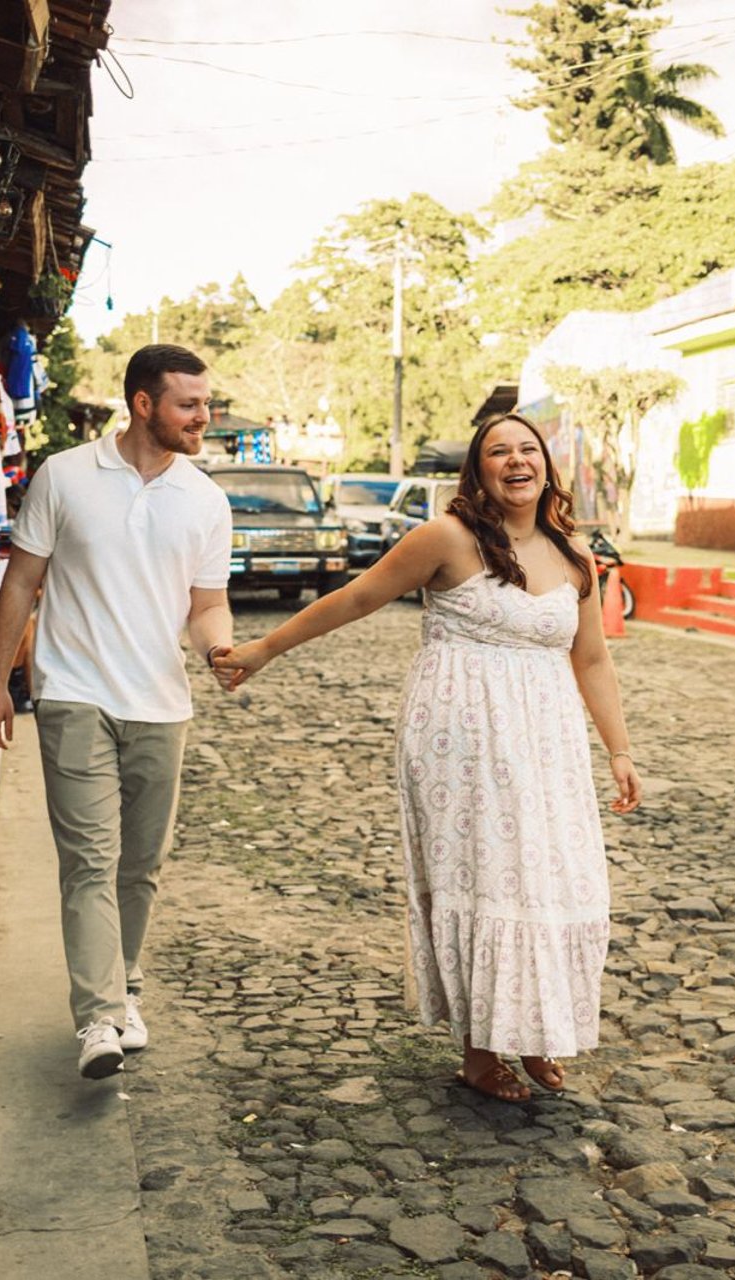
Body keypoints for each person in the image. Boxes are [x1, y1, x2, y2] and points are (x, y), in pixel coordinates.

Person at [212, 413, 642, 1103]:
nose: (515, 459)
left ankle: (533, 1031)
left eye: (528, 448)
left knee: (552, 876)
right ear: (478, 471)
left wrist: (618, 750)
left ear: (547, 466)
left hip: (548, 739)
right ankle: (479, 1050)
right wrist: (265, 649)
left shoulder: (574, 555)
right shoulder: (446, 538)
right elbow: (357, 597)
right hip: (461, 736)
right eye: (498, 451)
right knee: (490, 876)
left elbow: (590, 657)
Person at [0, 343, 234, 1080]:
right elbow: (19, 584)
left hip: (161, 700)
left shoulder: (204, 499)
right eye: (188, 404)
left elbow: (207, 606)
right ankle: (97, 1017)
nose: (201, 417)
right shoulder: (64, 475)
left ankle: (125, 988)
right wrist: (0, 685)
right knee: (90, 859)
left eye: (204, 403)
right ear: (144, 403)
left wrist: (220, 652)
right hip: (74, 693)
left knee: (140, 866)